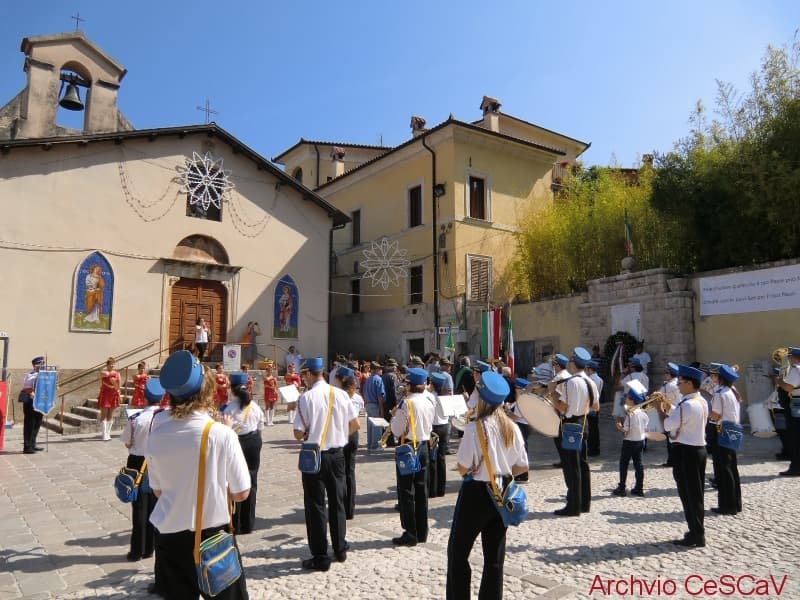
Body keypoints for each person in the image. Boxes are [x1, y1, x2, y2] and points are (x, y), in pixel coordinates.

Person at [146, 350, 251, 599]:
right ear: (207, 392)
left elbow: (158, 490)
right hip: (212, 535)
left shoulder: (156, 432)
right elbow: (241, 493)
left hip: (169, 535)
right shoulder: (221, 434)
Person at [446, 371, 528, 600]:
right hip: (501, 490)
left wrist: (475, 468)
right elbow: (522, 467)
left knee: (458, 552)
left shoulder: (474, 429)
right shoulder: (512, 428)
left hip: (476, 493)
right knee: (494, 557)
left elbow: (462, 467)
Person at [293, 357, 360, 571]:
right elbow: (355, 424)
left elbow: (297, 433)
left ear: (310, 374)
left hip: (315, 456)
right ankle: (340, 548)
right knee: (337, 502)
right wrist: (338, 434)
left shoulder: (306, 398)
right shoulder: (341, 394)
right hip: (338, 455)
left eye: (304, 375)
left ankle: (320, 555)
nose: (303, 379)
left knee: (315, 505)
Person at [657, 364, 708, 548]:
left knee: (688, 495)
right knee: (696, 494)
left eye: (681, 382)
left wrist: (658, 409)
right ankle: (696, 531)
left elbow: (668, 426)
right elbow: (680, 415)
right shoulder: (700, 401)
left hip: (686, 452)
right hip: (698, 450)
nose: (678, 385)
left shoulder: (687, 405)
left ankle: (696, 534)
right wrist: (667, 405)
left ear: (689, 383)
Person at [389, 367, 435, 546]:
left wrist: (394, 416)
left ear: (409, 385)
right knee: (421, 489)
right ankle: (422, 531)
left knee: (406, 490)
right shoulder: (430, 400)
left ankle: (410, 532)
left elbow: (397, 429)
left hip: (408, 446)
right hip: (423, 445)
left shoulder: (406, 403)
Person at [550, 347, 598, 516]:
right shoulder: (590, 381)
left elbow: (562, 406)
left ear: (573, 363)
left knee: (572, 466)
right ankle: (585, 503)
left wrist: (552, 393)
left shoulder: (571, 382)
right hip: (584, 422)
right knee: (583, 464)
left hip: (570, 423)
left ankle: (573, 506)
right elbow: (596, 406)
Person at [121, 378, 163, 562]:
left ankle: (137, 550)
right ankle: (150, 548)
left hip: (137, 461)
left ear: (144, 398)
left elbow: (127, 442)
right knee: (155, 505)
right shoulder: (164, 417)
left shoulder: (136, 418)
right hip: (157, 461)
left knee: (139, 507)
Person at [221, 374, 265, 534]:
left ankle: (236, 523)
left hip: (237, 443)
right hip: (254, 442)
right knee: (252, 482)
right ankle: (248, 524)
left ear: (232, 389)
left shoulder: (229, 408)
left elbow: (224, 431)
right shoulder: (254, 406)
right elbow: (261, 425)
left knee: (235, 481)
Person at [709, 363, 742, 514]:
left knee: (723, 468)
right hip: (733, 429)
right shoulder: (732, 391)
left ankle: (727, 505)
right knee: (732, 467)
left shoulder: (719, 392)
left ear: (720, 378)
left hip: (721, 429)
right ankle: (735, 503)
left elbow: (715, 415)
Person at [612, 381, 648, 497]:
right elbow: (645, 426)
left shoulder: (630, 414)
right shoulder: (643, 413)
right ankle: (639, 487)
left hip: (629, 442)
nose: (626, 399)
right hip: (640, 441)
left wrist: (618, 425)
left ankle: (622, 487)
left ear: (632, 400)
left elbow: (626, 430)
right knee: (639, 464)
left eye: (627, 397)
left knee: (624, 464)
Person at [336, 367, 364, 520]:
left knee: (341, 472)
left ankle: (342, 505)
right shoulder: (358, 398)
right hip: (353, 435)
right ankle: (350, 509)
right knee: (350, 471)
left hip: (343, 433)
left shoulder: (339, 397)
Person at [777, 346, 800, 477]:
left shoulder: (796, 370)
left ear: (794, 358)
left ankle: (796, 467)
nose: (788, 360)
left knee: (795, 439)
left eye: (789, 357)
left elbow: (788, 388)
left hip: (796, 406)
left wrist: (779, 381)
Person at [505, 377, 532, 482]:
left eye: (516, 388)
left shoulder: (522, 401)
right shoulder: (521, 400)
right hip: (522, 426)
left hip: (521, 426)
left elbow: (515, 417)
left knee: (522, 449)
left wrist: (507, 411)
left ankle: (523, 475)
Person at [429, 372, 451, 497]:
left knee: (432, 458)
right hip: (445, 427)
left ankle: (432, 489)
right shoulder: (446, 396)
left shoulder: (431, 397)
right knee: (441, 458)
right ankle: (441, 489)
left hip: (434, 428)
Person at [20, 356, 45, 453]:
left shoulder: (45, 375)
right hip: (31, 402)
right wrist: (35, 396)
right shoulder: (31, 375)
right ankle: (27, 447)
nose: (42, 365)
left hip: (40, 403)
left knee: (37, 424)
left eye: (43, 364)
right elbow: (27, 389)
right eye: (40, 364)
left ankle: (33, 444)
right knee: (30, 424)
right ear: (35, 365)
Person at [659, 362, 682, 467]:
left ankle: (672, 460)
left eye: (666, 373)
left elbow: (659, 397)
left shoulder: (668, 386)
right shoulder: (678, 383)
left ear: (670, 374)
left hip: (671, 412)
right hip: (679, 411)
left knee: (671, 438)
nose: (664, 375)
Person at [362, 361, 386, 450]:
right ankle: (375, 445)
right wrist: (381, 409)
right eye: (380, 369)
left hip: (368, 404)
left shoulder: (368, 379)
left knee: (370, 425)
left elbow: (364, 393)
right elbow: (380, 396)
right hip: (375, 404)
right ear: (377, 370)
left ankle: (370, 444)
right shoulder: (378, 379)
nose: (381, 370)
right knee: (377, 425)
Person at [98, 357, 121, 441]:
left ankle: (108, 433)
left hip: (113, 394)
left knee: (110, 414)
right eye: (110, 364)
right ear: (107, 365)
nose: (112, 365)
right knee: (104, 414)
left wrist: (119, 394)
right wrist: (114, 375)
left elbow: (118, 386)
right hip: (105, 394)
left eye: (113, 364)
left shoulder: (117, 373)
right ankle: (103, 434)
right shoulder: (103, 372)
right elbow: (104, 374)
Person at [585, 360, 604, 456]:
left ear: (590, 369)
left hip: (589, 407)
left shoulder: (589, 380)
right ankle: (596, 448)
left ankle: (591, 449)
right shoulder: (600, 379)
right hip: (596, 405)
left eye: (587, 368)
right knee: (595, 429)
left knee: (590, 430)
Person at [262, 360, 278, 426]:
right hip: (268, 393)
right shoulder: (265, 377)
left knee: (272, 406)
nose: (270, 371)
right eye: (268, 370)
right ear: (266, 371)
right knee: (267, 406)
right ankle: (267, 421)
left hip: (273, 393)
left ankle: (271, 421)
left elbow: (276, 385)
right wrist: (271, 387)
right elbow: (266, 385)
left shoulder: (274, 378)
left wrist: (275, 390)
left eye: (271, 370)